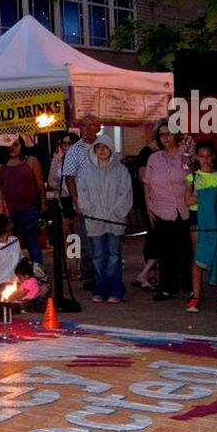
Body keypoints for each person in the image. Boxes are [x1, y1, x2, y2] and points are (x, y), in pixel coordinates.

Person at [76, 128, 132, 304]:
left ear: (110, 149)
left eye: (105, 147)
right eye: (98, 147)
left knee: (114, 256)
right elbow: (82, 195)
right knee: (98, 256)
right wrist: (92, 213)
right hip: (95, 221)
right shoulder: (86, 172)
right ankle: (100, 289)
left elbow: (126, 193)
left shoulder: (121, 170)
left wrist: (115, 213)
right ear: (94, 149)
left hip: (115, 221)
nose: (102, 150)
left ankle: (116, 289)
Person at [142, 122, 192, 302]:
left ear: (176, 135)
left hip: (181, 208)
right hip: (160, 209)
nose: (165, 138)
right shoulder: (154, 158)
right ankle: (167, 287)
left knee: (185, 250)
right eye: (162, 134)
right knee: (164, 251)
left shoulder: (184, 155)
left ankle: (189, 286)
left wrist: (188, 162)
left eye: (169, 134)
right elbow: (146, 184)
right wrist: (148, 206)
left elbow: (190, 178)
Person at [185, 141, 217, 313]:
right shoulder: (191, 177)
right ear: (196, 157)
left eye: (208, 155)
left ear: (213, 157)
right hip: (197, 218)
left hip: (214, 219)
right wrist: (212, 193)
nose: (205, 159)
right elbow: (188, 201)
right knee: (198, 257)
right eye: (201, 156)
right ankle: (195, 297)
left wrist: (201, 194)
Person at [63, 114, 101, 288]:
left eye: (92, 126)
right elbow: (69, 178)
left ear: (98, 128)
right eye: (85, 126)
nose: (88, 129)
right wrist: (76, 202)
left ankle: (103, 275)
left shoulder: (104, 146)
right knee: (86, 242)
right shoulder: (74, 150)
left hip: (104, 201)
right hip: (85, 202)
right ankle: (89, 277)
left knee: (104, 241)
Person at [0, 135, 47, 266]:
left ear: (22, 145)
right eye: (10, 145)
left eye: (17, 145)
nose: (14, 148)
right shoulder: (0, 166)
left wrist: (43, 202)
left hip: (30, 208)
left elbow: (40, 183)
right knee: (13, 245)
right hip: (10, 210)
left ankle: (38, 273)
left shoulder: (31, 161)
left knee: (33, 244)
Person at [132, 124, 162, 291]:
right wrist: (150, 205)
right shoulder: (146, 153)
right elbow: (144, 180)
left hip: (163, 202)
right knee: (155, 238)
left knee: (158, 238)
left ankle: (150, 274)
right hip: (151, 202)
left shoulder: (165, 152)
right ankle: (147, 273)